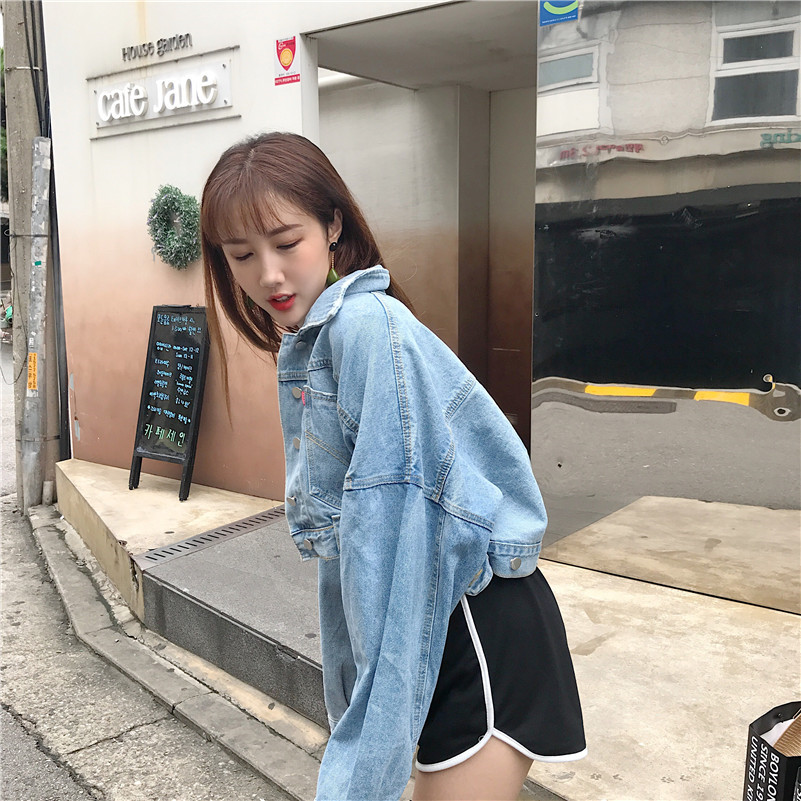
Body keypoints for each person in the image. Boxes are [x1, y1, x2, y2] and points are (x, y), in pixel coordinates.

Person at [201, 132, 586, 801]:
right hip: (440, 624)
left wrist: (363, 762)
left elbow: (399, 540)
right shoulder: (319, 341)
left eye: (286, 243)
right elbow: (354, 568)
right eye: (242, 255)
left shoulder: (363, 329)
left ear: (333, 226)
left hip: (472, 627)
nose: (269, 275)